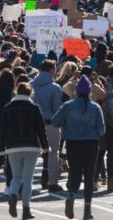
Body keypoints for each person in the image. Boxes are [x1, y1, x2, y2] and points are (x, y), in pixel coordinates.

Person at [52, 76, 105, 220]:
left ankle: (71, 195)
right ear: (89, 92)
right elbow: (101, 129)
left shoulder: (68, 105)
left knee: (74, 173)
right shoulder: (95, 107)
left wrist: (67, 125)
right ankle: (87, 210)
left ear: (76, 91)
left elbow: (55, 121)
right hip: (91, 144)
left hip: (73, 143)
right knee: (89, 176)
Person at [0, 81, 48, 219]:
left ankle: (13, 194)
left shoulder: (7, 108)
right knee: (28, 178)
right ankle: (26, 209)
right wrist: (45, 146)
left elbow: (3, 129)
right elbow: (41, 129)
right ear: (30, 93)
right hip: (31, 146)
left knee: (16, 176)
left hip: (13, 147)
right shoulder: (34, 107)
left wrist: (1, 148)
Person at [29, 59, 63, 192]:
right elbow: (57, 108)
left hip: (33, 123)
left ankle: (26, 181)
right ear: (51, 70)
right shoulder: (55, 87)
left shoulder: (30, 85)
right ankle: (52, 182)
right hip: (50, 123)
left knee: (32, 153)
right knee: (53, 152)